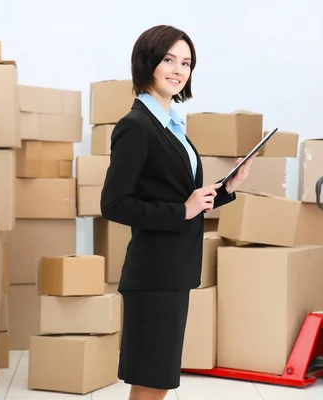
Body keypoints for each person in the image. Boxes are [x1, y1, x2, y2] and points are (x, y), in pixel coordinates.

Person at [100, 25, 257, 400]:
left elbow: (180, 198)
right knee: (153, 380)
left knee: (158, 378)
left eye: (186, 62)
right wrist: (181, 210)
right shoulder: (136, 126)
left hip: (173, 270)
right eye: (169, 59)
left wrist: (225, 191)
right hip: (154, 273)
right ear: (147, 61)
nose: (178, 69)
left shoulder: (172, 126)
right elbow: (113, 203)